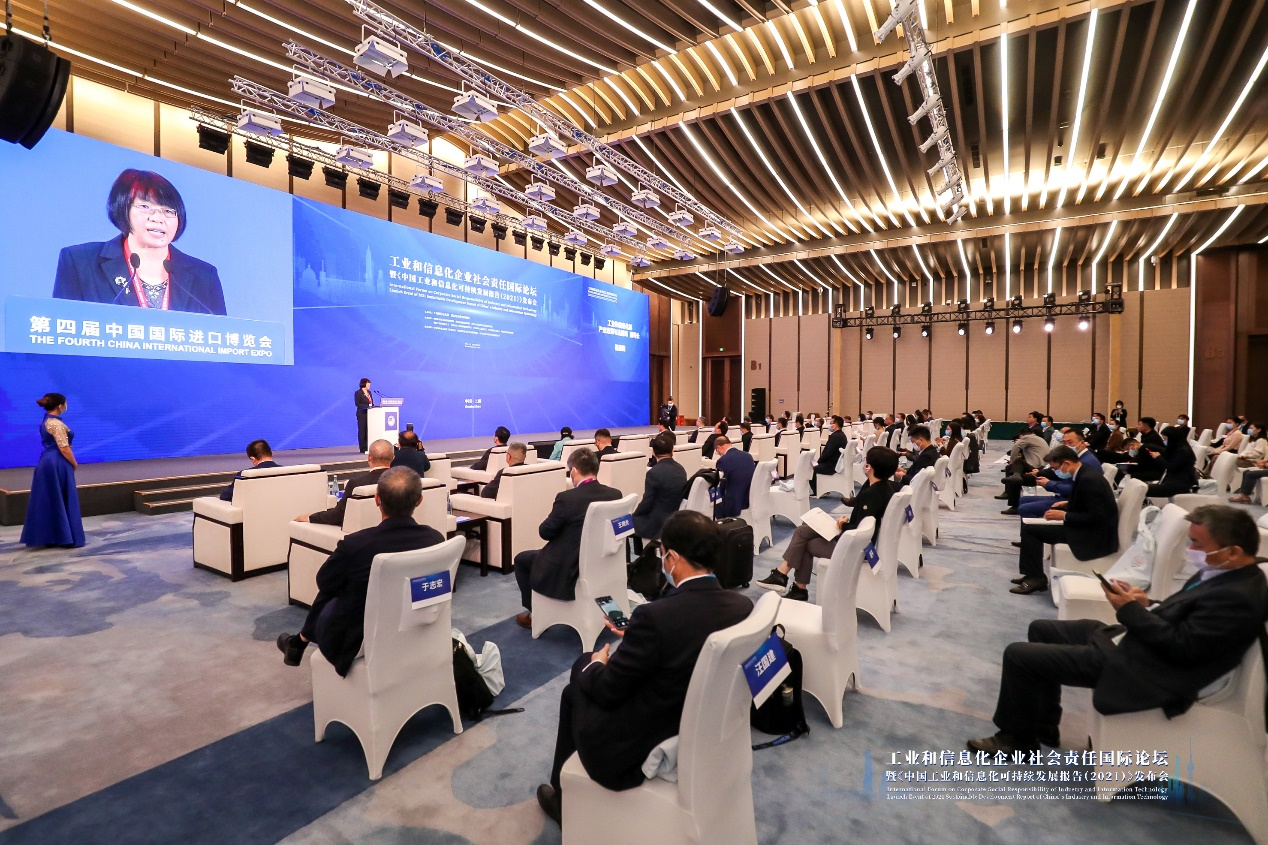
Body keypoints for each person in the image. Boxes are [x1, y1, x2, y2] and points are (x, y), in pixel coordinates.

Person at [969, 505, 1268, 754]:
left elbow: (1182, 648)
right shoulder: (1225, 574)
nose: (1190, 551)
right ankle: (1043, 724)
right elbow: (1190, 619)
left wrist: (1128, 610)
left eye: (1197, 545)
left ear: (1233, 551)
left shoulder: (1237, 597)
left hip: (1149, 670)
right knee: (1042, 629)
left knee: (1019, 655)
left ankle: (1017, 741)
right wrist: (1146, 603)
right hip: (1142, 646)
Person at [534, 511, 753, 822]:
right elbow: (691, 634)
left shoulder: (656, 617)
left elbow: (608, 691)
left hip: (643, 743)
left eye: (662, 553)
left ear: (673, 558)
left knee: (581, 674)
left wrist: (596, 664)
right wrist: (637, 636)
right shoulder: (742, 607)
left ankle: (563, 800)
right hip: (702, 722)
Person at [275, 467, 445, 674]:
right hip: (419, 625)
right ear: (419, 500)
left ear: (377, 499)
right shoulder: (436, 540)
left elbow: (324, 583)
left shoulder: (355, 545)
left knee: (335, 586)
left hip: (358, 639)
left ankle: (298, 642)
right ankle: (297, 643)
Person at [53, 169, 227, 315]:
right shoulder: (81, 262)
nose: (157, 218)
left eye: (168, 211)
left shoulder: (204, 276)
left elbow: (220, 338)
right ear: (122, 208)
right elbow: (61, 329)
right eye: (145, 207)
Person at [756, 446, 898, 601]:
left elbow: (860, 530)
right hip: (854, 541)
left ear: (868, 467)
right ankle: (789, 581)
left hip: (853, 547)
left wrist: (842, 525)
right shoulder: (882, 487)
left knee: (803, 539)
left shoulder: (872, 494)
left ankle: (788, 580)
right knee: (803, 532)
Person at [513, 448, 622, 628]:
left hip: (570, 564)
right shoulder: (615, 494)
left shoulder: (567, 498)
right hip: (603, 560)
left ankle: (535, 614)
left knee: (521, 559)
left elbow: (545, 532)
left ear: (574, 471)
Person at [1010, 445, 1118, 595]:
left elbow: (1097, 517)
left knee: (1031, 531)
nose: (1055, 472)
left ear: (1066, 463)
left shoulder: (1088, 479)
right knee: (1031, 528)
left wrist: (1064, 516)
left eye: (1056, 468)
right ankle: (1032, 574)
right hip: (1088, 527)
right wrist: (1067, 504)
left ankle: (1035, 577)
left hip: (1092, 534)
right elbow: (1087, 503)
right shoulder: (1084, 474)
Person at [20, 393, 85, 548]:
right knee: (60, 496)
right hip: (57, 462)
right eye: (65, 403)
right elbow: (64, 448)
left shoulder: (47, 421)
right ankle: (64, 537)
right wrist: (74, 463)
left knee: (49, 497)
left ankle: (52, 536)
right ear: (60, 406)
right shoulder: (56, 423)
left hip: (47, 461)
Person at [299, 439, 394, 525]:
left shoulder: (356, 484)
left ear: (369, 457)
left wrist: (310, 517)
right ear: (393, 458)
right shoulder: (401, 482)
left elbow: (337, 516)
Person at [1015, 428, 1101, 519]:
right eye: (1064, 443)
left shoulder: (1085, 462)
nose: (1067, 446)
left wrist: (1049, 484)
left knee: (1025, 508)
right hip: (1065, 496)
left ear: (1082, 443)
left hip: (1070, 501)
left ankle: (1040, 526)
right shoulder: (1080, 458)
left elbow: (1075, 490)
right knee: (1023, 499)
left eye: (1070, 442)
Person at [1143, 426, 1198, 499]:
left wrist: (1158, 458)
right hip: (1173, 481)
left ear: (1172, 438)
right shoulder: (1177, 448)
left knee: (1143, 489)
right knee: (1142, 487)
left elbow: (1171, 467)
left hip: (1180, 484)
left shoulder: (1182, 451)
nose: (1164, 441)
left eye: (1165, 439)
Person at [714, 436, 755, 519]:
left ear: (719, 447)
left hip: (734, 504)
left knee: (713, 495)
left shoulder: (723, 461)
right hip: (750, 498)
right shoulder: (748, 455)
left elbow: (721, 486)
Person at [810, 415, 849, 496]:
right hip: (836, 463)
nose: (830, 425)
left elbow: (828, 453)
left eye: (831, 423)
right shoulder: (842, 435)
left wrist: (819, 462)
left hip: (832, 465)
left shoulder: (835, 436)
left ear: (836, 425)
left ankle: (817, 491)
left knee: (811, 468)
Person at [355, 378, 373, 454]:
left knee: (368, 431)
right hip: (362, 414)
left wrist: (372, 407)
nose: (369, 385)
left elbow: (371, 403)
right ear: (364, 384)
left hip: (370, 414)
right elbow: (357, 404)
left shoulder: (369, 392)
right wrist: (367, 407)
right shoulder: (358, 393)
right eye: (368, 384)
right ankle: (362, 448)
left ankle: (367, 447)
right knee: (362, 431)